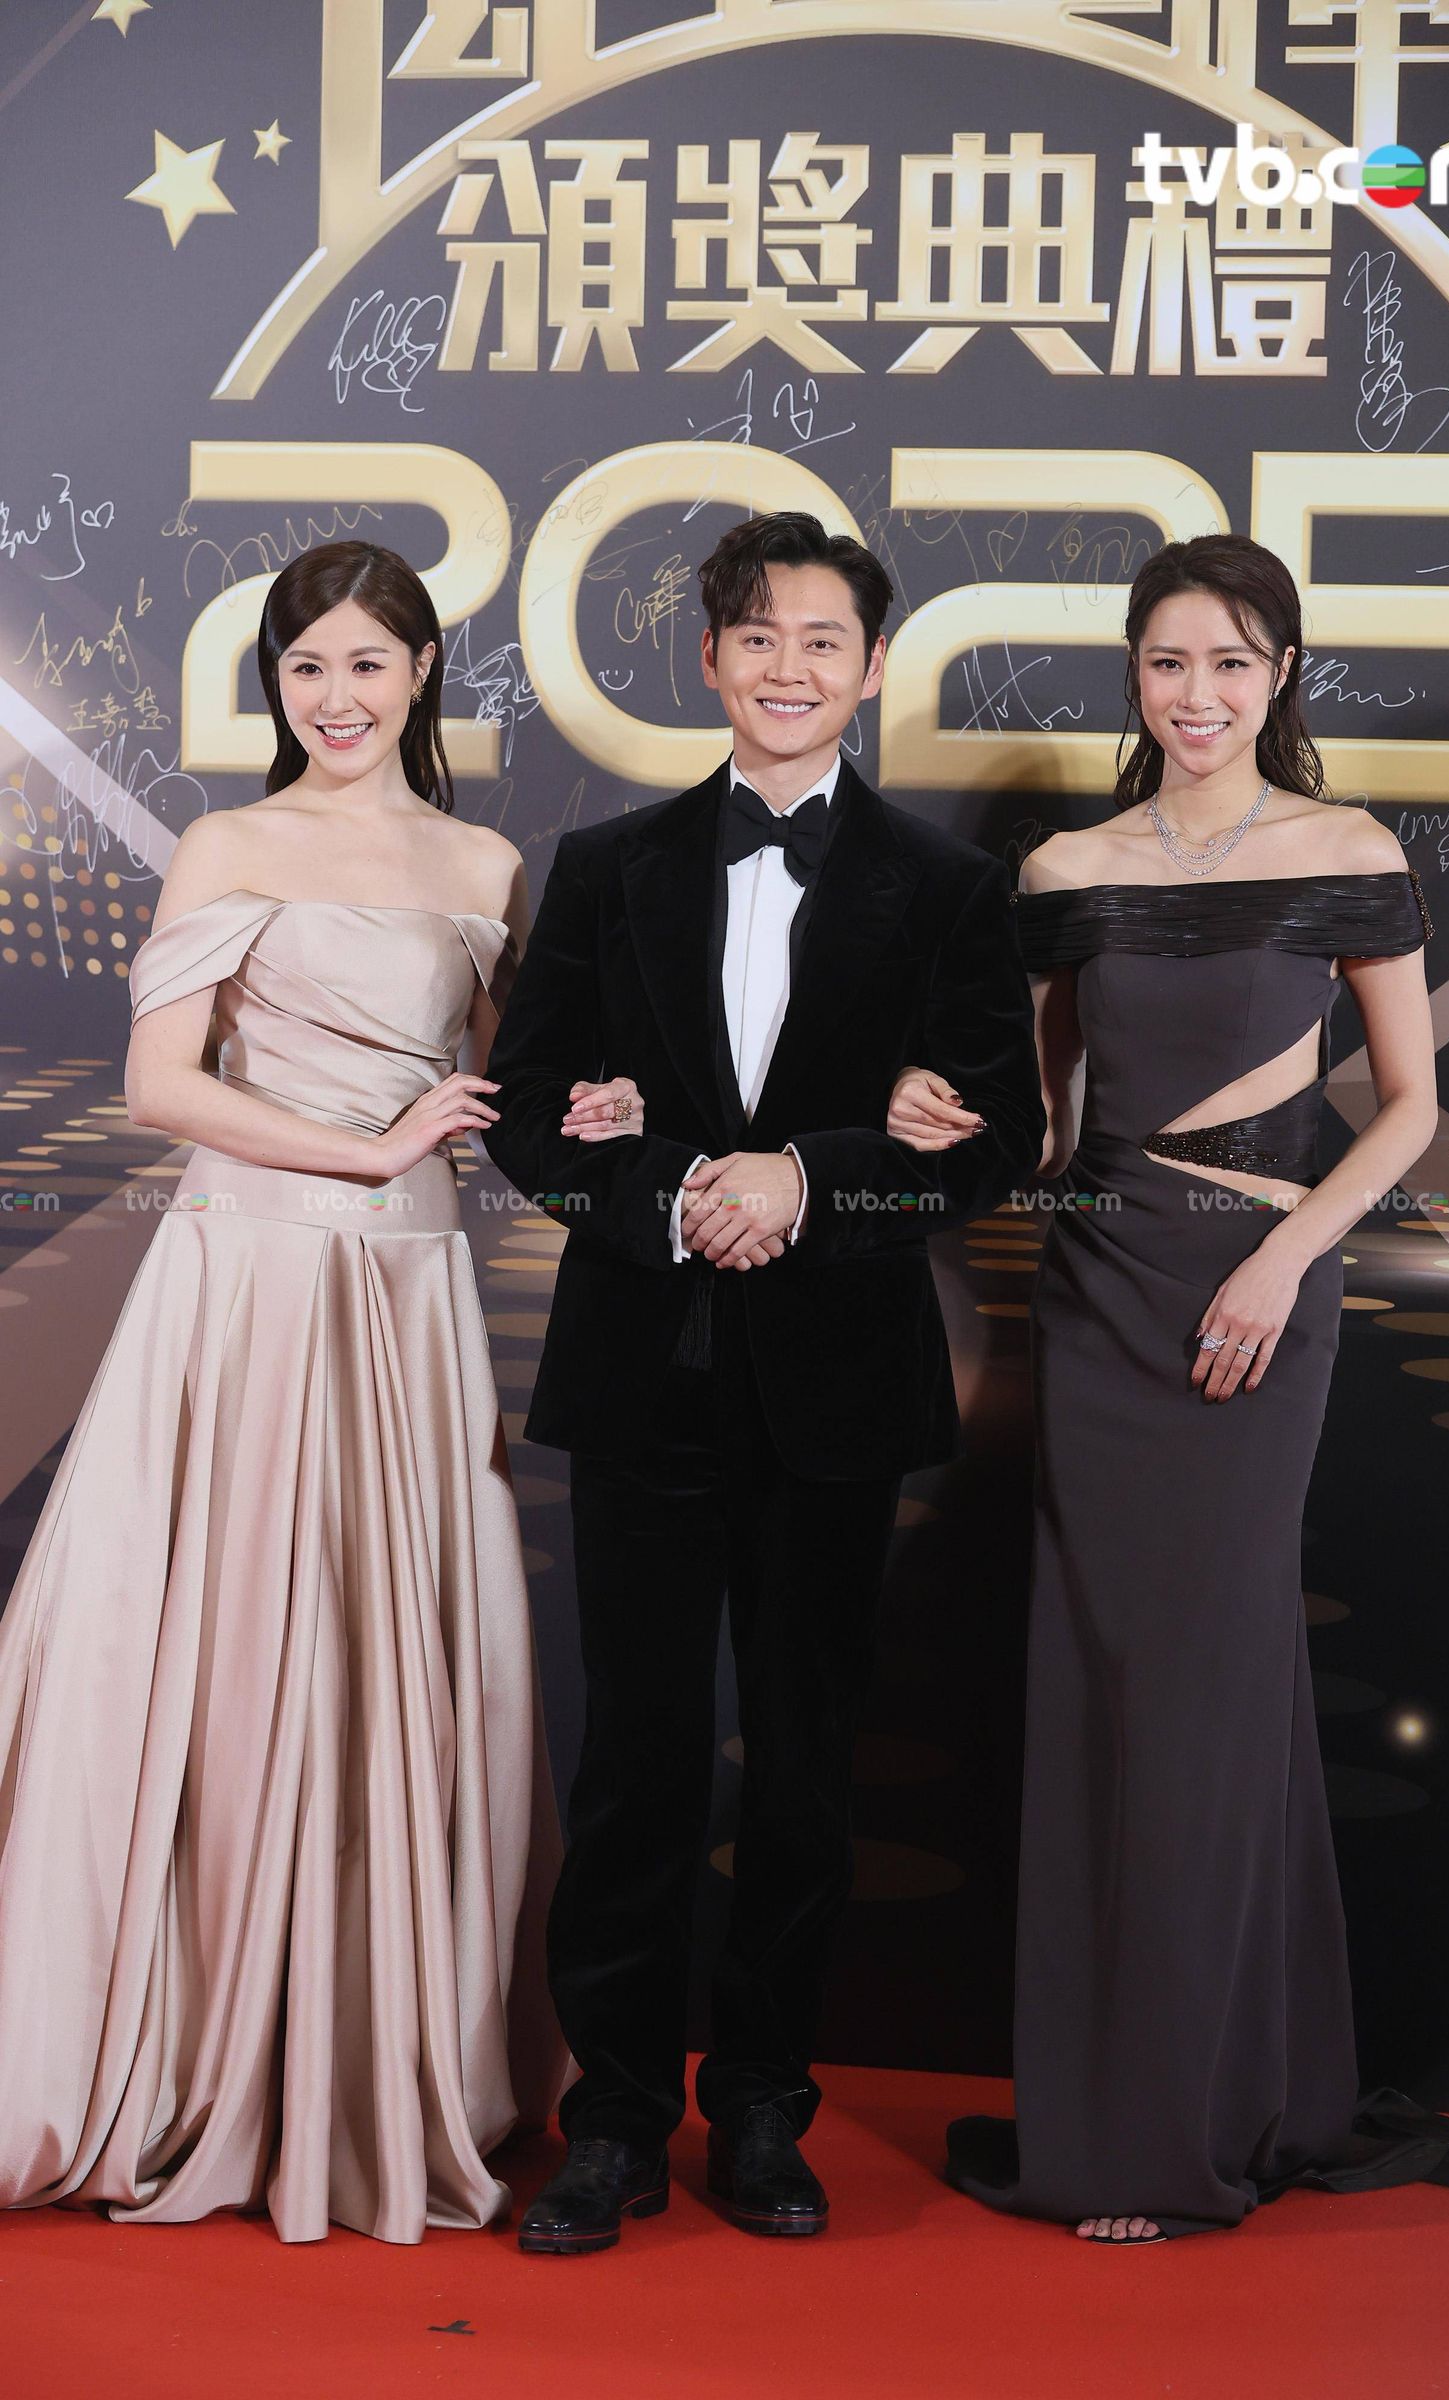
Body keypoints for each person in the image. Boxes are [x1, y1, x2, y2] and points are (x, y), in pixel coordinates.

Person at [888, 533, 1449, 2240]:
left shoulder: (1345, 850)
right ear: (1132, 677)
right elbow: (1050, 1133)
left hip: (1257, 1301)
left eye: (1229, 662)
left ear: (1280, 674)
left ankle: (1171, 2134)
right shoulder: (1069, 866)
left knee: (1201, 1701)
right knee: (1109, 1693)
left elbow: (1409, 1105)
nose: (1195, 694)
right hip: (1100, 1295)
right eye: (1166, 662)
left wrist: (1288, 1259)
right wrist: (936, 1115)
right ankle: (1185, 2097)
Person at [483, 510, 1046, 2253]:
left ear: (871, 670)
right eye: (758, 636)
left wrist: (813, 1180)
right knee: (636, 1764)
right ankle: (614, 2123)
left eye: (823, 641)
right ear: (711, 658)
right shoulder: (603, 866)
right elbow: (527, 1116)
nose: (788, 667)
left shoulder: (947, 889)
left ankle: (763, 2109)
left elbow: (996, 1139)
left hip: (839, 1387)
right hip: (641, 1375)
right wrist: (673, 1195)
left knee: (804, 1767)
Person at [0, 541, 566, 2244]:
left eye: (368, 664)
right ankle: (193, 2045)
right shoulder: (228, 844)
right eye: (306, 666)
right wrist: (367, 1148)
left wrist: (583, 1119)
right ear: (275, 681)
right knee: (234, 1634)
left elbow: (506, 1089)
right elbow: (160, 1085)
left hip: (408, 1291)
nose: (336, 696)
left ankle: (372, 2055)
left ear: (421, 675)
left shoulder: (483, 863)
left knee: (394, 1648)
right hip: (247, 1280)